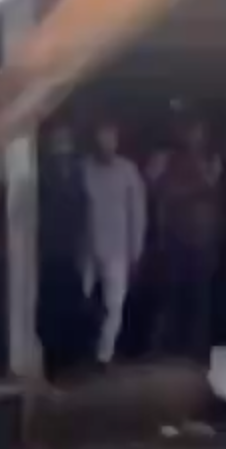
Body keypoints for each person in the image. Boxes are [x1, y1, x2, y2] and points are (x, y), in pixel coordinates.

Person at [146, 117, 224, 362]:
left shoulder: (212, 159)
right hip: (175, 235)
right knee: (173, 292)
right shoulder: (167, 159)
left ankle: (198, 348)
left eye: (197, 130)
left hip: (204, 236)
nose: (192, 136)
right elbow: (159, 190)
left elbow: (212, 187)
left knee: (201, 295)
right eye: (189, 130)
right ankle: (172, 347)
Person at [81, 120, 148, 367]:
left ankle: (103, 357)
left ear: (117, 141)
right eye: (101, 138)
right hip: (87, 248)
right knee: (83, 301)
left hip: (117, 248)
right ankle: (84, 349)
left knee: (113, 305)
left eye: (110, 138)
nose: (105, 144)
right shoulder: (85, 169)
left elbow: (137, 213)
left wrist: (136, 250)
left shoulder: (127, 171)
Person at [38, 124, 93, 377]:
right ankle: (53, 361)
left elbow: (84, 209)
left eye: (65, 142)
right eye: (58, 143)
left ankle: (72, 360)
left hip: (71, 248)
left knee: (73, 303)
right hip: (50, 250)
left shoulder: (78, 173)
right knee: (51, 306)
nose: (62, 148)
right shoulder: (42, 173)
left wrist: (84, 242)